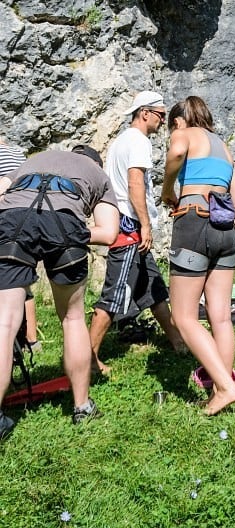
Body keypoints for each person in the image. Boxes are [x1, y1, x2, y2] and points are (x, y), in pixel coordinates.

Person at [0, 144, 119, 437]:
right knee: (73, 318)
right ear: (95, 162)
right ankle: (82, 407)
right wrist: (73, 231)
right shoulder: (98, 176)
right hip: (64, 224)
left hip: (13, 220)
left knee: (4, 321)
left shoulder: (34, 160)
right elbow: (109, 233)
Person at [160, 96, 235, 415]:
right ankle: (219, 385)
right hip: (225, 230)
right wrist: (224, 234)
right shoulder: (224, 147)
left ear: (179, 121)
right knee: (220, 316)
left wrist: (168, 189)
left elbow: (177, 152)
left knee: (183, 316)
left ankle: (224, 387)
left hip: (194, 220)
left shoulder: (184, 132)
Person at [89, 90, 183, 374]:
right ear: (144, 113)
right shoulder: (139, 141)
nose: (162, 121)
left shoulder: (121, 141)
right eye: (160, 115)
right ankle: (88, 359)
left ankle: (177, 340)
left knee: (153, 287)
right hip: (130, 227)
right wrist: (144, 224)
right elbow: (135, 184)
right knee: (115, 295)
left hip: (126, 224)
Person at [0, 139, 39, 350]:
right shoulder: (17, 152)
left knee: (8, 280)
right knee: (23, 280)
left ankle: (12, 339)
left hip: (6, 218)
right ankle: (31, 339)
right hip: (29, 217)